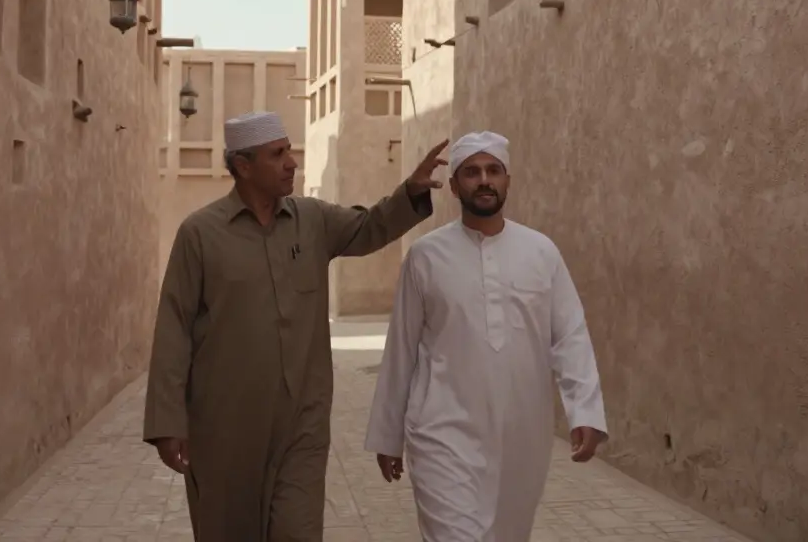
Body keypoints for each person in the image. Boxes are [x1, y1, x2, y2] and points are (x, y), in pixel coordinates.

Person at [143, 110, 449, 541]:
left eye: (290, 151)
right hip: (224, 429)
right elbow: (174, 327)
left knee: (297, 531)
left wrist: (410, 192)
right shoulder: (200, 234)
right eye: (278, 154)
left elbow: (370, 226)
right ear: (243, 165)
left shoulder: (313, 220)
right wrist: (167, 422)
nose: (292, 162)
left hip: (301, 425)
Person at [363, 130, 609, 542]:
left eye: (493, 170)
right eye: (472, 172)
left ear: (507, 180)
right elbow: (401, 350)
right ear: (455, 185)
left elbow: (570, 336)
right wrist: (388, 434)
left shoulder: (541, 251)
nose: (484, 180)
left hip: (522, 435)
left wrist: (584, 410)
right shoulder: (425, 257)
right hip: (441, 430)